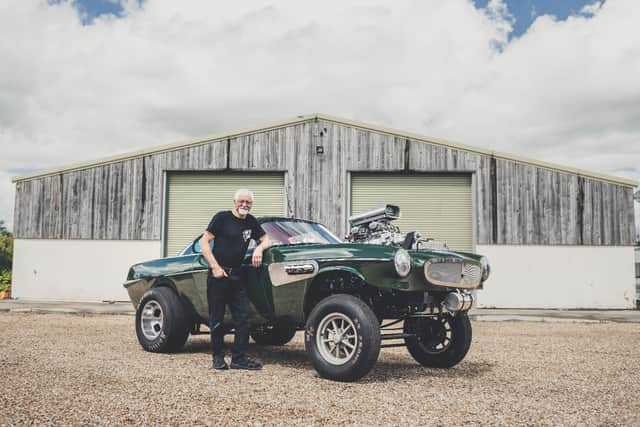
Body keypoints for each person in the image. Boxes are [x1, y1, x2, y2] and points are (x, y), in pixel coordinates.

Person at [199, 189, 270, 370]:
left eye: (248, 202)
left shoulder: (251, 221)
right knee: (217, 319)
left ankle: (238, 358)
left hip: (238, 276)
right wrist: (215, 267)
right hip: (219, 275)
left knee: (243, 318)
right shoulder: (222, 218)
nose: (244, 205)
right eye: (242, 201)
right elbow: (204, 241)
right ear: (235, 202)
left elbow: (267, 239)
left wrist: (259, 249)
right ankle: (218, 358)